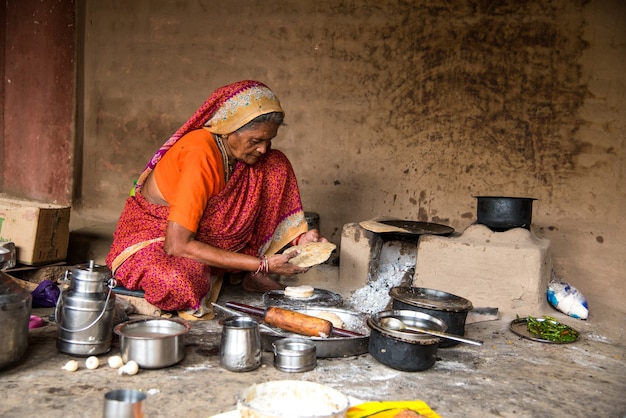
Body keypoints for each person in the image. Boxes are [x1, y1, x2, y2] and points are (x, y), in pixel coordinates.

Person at [105, 80, 328, 320]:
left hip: (205, 237)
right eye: (255, 141)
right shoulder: (199, 155)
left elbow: (264, 183)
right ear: (228, 128)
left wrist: (300, 239)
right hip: (156, 237)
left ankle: (247, 273)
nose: (263, 148)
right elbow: (177, 245)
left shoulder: (246, 157)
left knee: (275, 164)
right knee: (181, 282)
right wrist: (262, 264)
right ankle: (244, 268)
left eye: (269, 140)